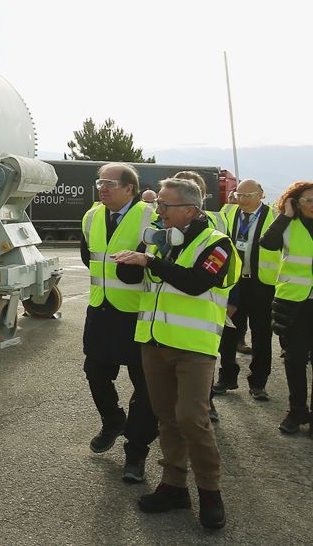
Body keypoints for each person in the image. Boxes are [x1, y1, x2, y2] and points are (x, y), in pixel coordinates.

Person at [112, 177, 239, 530]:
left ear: (190, 210)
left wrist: (150, 261)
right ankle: (174, 485)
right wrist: (134, 259)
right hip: (154, 342)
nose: (158, 211)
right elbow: (129, 277)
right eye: (158, 205)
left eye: (165, 206)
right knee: (166, 415)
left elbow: (197, 282)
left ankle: (210, 493)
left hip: (194, 347)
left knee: (191, 418)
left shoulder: (218, 244)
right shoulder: (161, 238)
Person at [79, 163, 158, 483]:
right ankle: (113, 419)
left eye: (110, 183)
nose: (102, 187)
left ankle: (136, 452)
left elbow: (161, 261)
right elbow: (89, 257)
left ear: (130, 188)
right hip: (101, 309)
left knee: (145, 385)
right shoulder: (91, 215)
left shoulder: (149, 216)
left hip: (139, 313)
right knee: (95, 371)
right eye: (100, 182)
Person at [212, 180, 279, 400]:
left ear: (260, 195)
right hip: (234, 283)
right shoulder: (229, 213)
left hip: (262, 284)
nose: (242, 199)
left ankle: (258, 382)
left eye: (247, 195)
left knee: (261, 334)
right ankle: (227, 377)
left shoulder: (274, 216)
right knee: (229, 331)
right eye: (238, 194)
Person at [173, 170, 228, 422]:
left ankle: (207, 403)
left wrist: (234, 300)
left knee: (203, 360)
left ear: (202, 195)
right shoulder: (161, 221)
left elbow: (230, 264)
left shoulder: (218, 222)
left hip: (205, 305)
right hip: (167, 310)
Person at [260, 181, 313, 435]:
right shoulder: (288, 224)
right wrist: (285, 216)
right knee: (295, 359)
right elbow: (267, 243)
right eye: (308, 200)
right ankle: (296, 410)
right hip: (294, 303)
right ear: (295, 202)